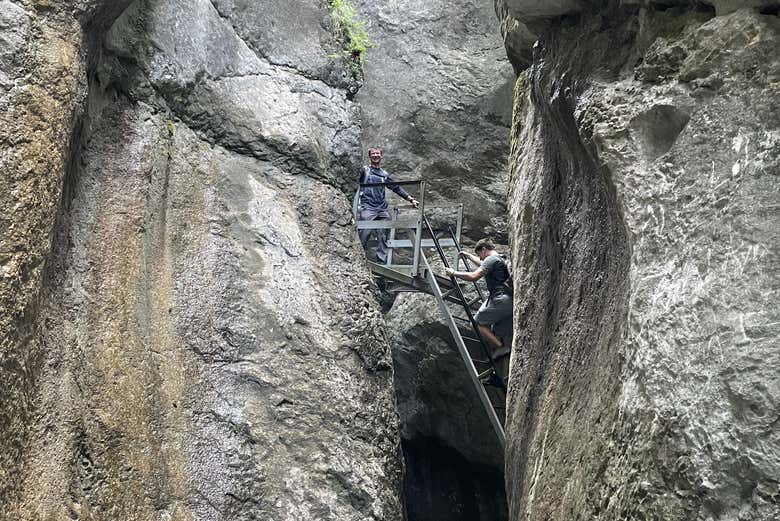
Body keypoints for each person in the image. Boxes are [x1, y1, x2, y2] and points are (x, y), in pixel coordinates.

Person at [445, 239, 513, 359]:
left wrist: (454, 273)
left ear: (484, 249)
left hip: (500, 299)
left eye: (479, 255)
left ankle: (501, 347)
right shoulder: (500, 258)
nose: (480, 258)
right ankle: (502, 346)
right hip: (509, 299)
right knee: (495, 329)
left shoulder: (491, 259)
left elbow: (473, 276)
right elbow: (482, 263)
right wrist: (469, 256)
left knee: (476, 323)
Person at [357, 147, 419, 263]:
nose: (375, 155)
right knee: (364, 232)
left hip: (382, 208)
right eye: (373, 153)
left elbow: (396, 187)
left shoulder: (384, 174)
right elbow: (354, 181)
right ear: (370, 156)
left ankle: (381, 262)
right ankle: (358, 258)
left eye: (378, 153)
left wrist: (411, 199)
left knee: (384, 235)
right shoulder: (365, 171)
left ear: (381, 156)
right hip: (367, 207)